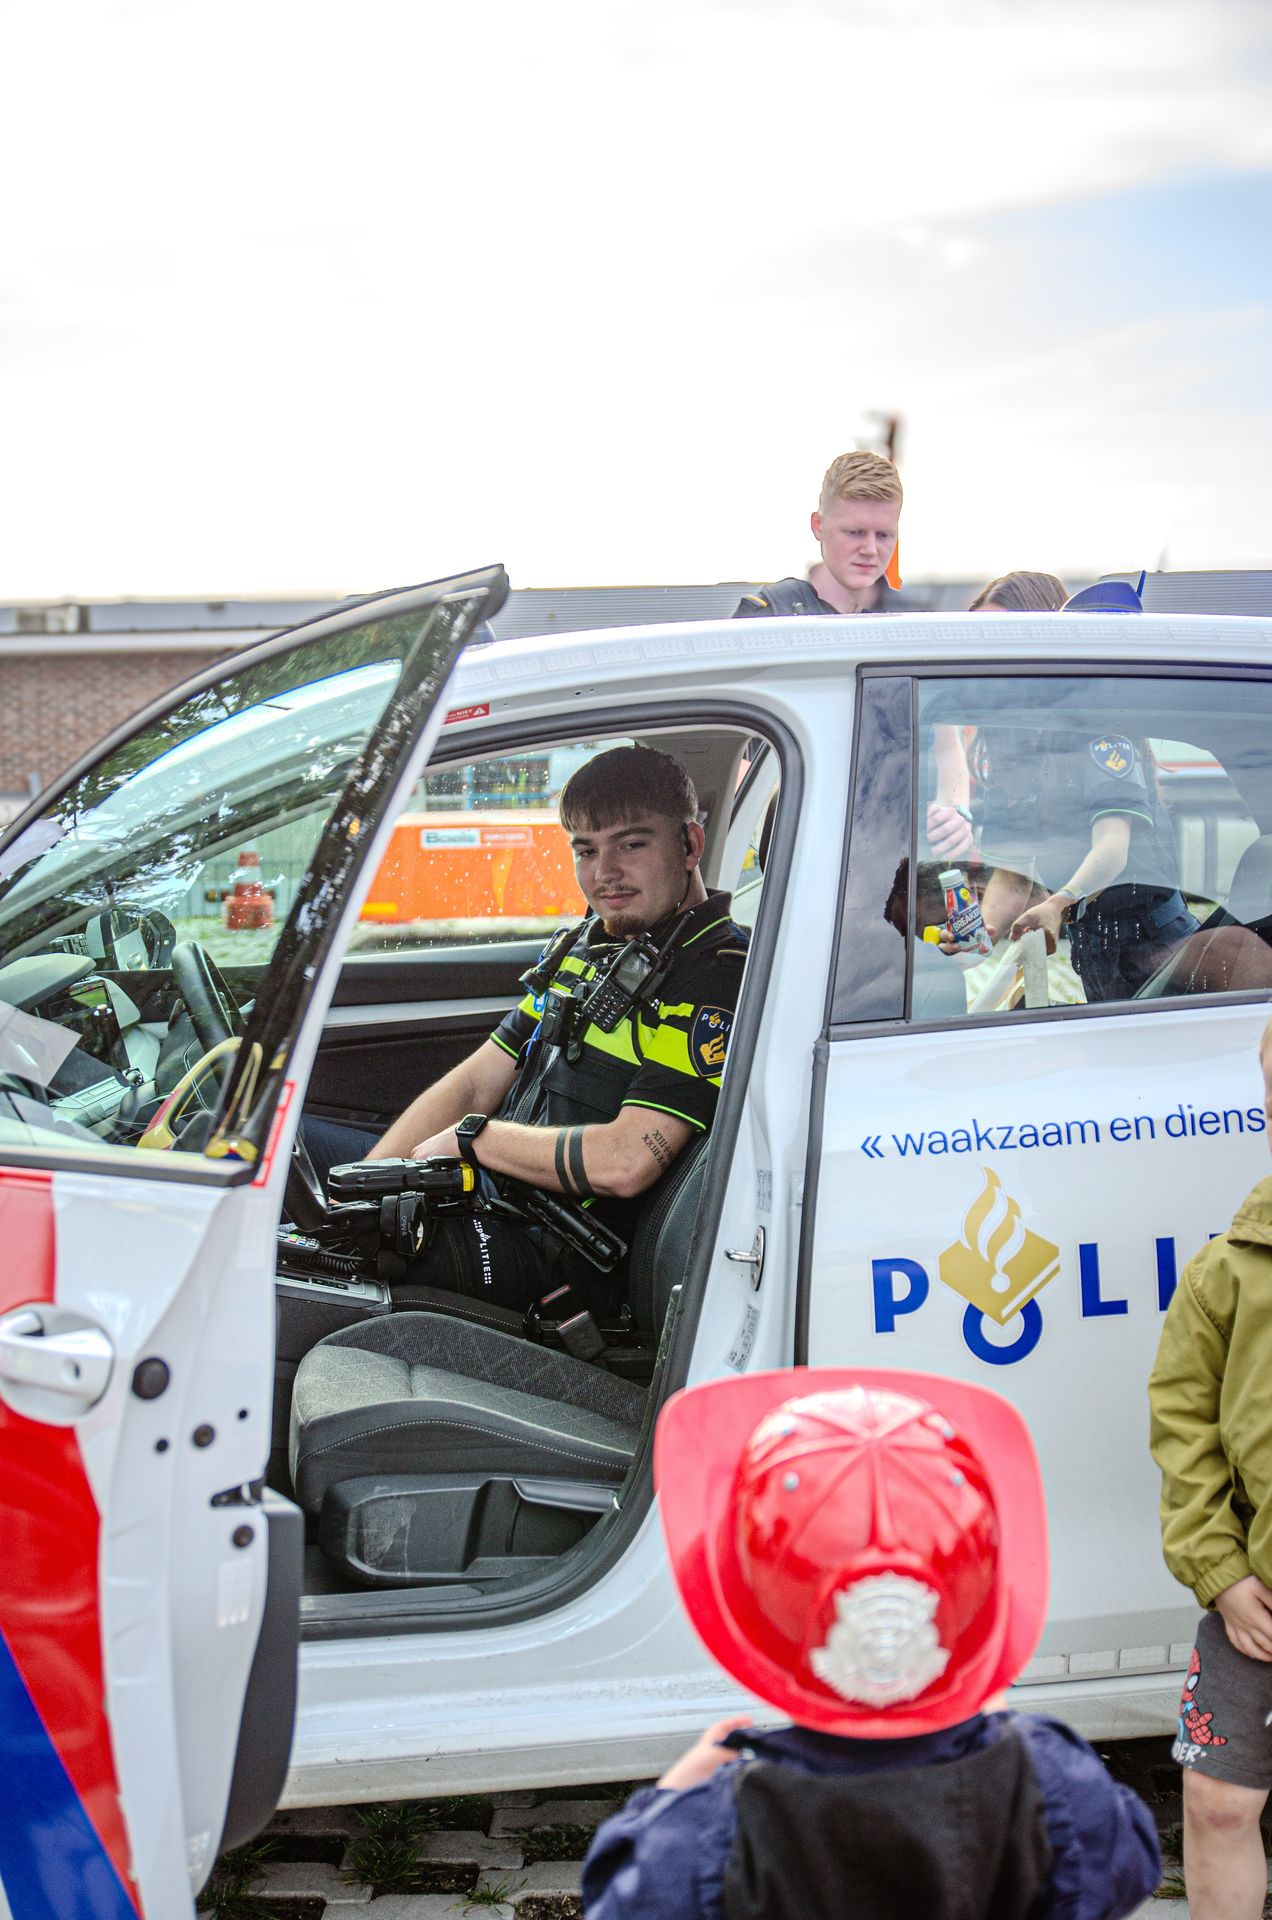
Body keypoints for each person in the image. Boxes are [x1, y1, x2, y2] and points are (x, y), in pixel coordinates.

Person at [582, 1368, 1160, 1920]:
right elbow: (1126, 1862)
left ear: (755, 1620)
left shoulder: (714, 1832)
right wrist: (998, 1721)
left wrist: (674, 1794)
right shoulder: (1046, 1778)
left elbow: (619, 1901)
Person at [340, 745, 750, 1315]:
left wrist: (474, 1139)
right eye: (586, 850)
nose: (605, 874)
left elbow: (628, 1160)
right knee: (292, 1163)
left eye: (632, 845)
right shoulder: (591, 946)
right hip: (494, 1198)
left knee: (327, 1265)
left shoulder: (715, 977)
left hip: (557, 1257)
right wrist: (370, 1182)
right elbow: (476, 1081)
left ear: (690, 846)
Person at [1149, 1016, 1272, 1920]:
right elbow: (1183, 1428)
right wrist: (1219, 1572)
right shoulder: (1224, 1274)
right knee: (1218, 1800)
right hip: (1255, 1602)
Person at [927, 572, 1069, 863]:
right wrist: (954, 815)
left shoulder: (1083, 739)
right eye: (976, 643)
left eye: (999, 642)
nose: (983, 661)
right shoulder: (989, 731)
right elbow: (946, 749)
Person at [733, 451, 903, 619]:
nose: (870, 550)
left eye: (883, 535)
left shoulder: (912, 614)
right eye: (854, 532)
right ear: (818, 526)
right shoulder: (767, 616)